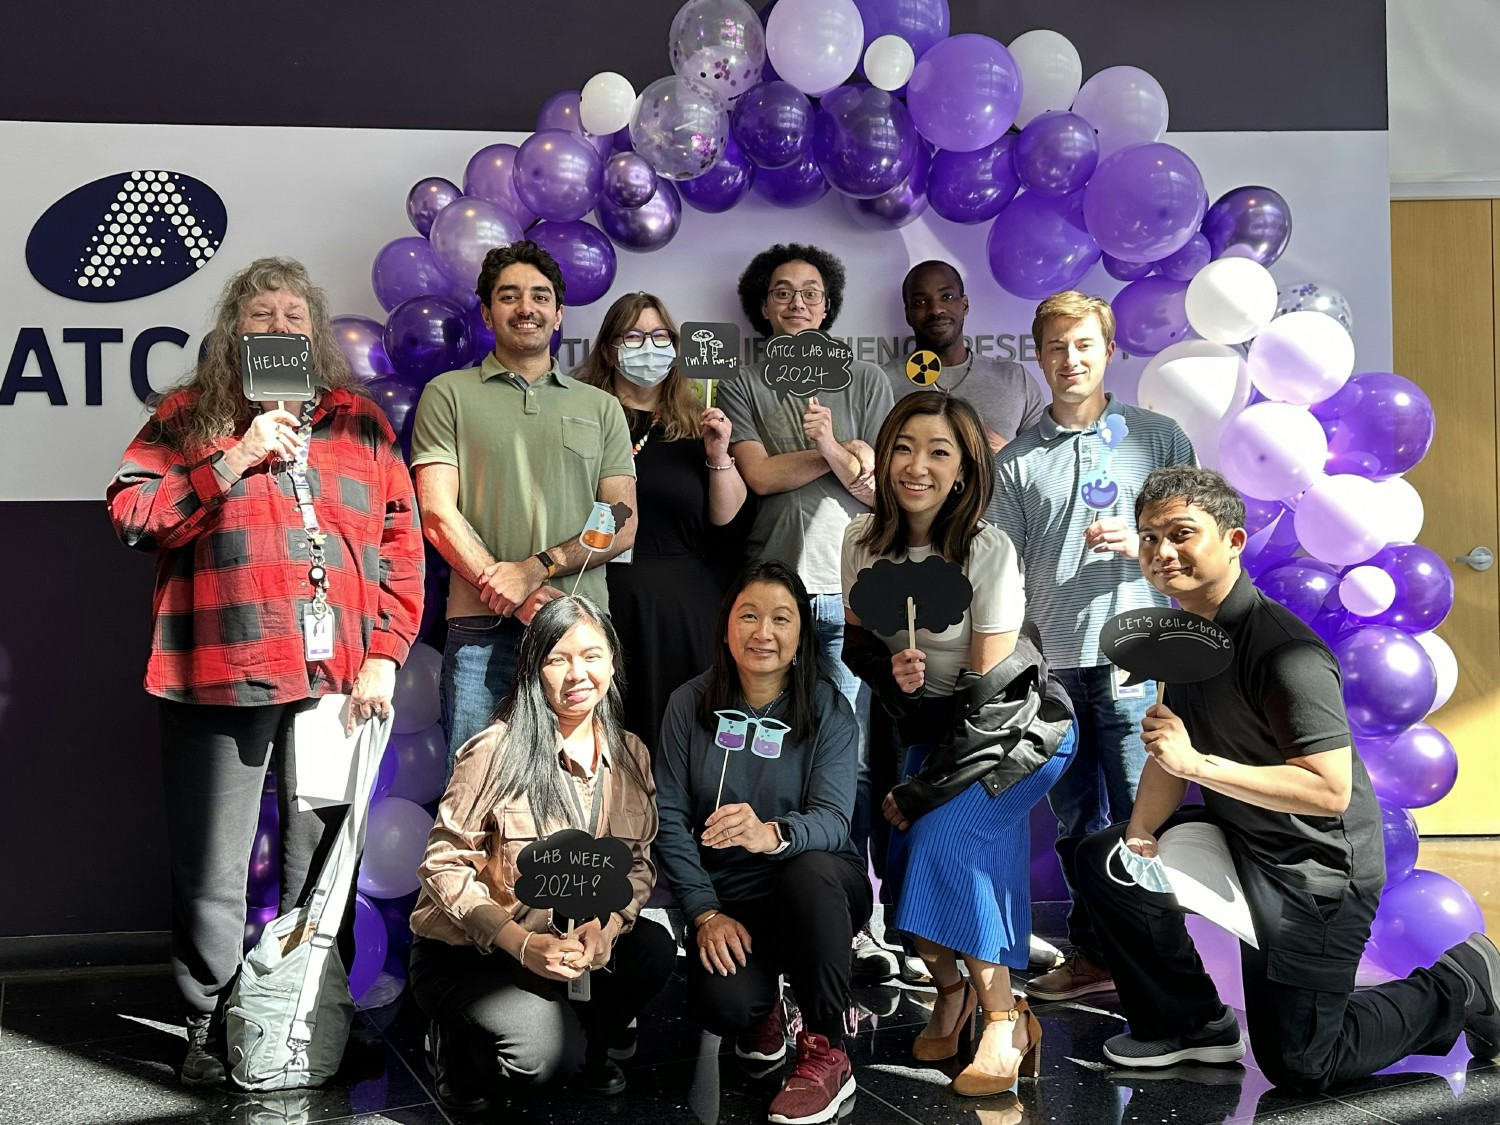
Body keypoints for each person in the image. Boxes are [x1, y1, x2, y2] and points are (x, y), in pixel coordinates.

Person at [1074, 466, 1500, 1091]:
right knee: (1106, 859)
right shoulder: (1185, 637)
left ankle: (1462, 980)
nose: (1162, 552)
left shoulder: (1283, 652)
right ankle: (1193, 1024)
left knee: (1302, 1062)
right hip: (1241, 834)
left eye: (1181, 534)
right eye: (1148, 538)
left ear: (1235, 541)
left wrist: (1198, 765)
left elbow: (1329, 789)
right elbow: (1172, 752)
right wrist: (1139, 835)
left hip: (1316, 866)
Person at [106, 257, 424, 1086]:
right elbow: (132, 514)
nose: (279, 325)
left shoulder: (359, 422)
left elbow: (401, 542)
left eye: (294, 314)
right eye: (262, 314)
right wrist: (235, 454)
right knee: (211, 865)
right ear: (235, 331)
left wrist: (386, 654)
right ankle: (206, 1024)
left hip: (336, 680)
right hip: (219, 665)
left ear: (313, 332)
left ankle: (312, 1010)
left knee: (321, 865)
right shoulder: (188, 414)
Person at [839, 392, 1076, 1096]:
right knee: (908, 861)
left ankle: (1004, 1017)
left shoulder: (985, 549)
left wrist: (919, 791)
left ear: (966, 469)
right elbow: (858, 644)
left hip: (1014, 734)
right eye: (904, 447)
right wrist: (892, 670)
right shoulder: (858, 539)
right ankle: (953, 992)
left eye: (939, 451)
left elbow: (993, 703)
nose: (917, 465)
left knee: (943, 841)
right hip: (930, 730)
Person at [984, 291, 1196, 1004]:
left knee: (1145, 815)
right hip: (1056, 667)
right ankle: (1095, 950)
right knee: (1077, 820)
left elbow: (1202, 544)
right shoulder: (1015, 461)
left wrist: (1144, 546)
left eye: (1083, 345)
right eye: (1055, 347)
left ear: (1109, 350)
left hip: (1143, 660)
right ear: (1037, 356)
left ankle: (1169, 977)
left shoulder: (1158, 438)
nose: (1069, 360)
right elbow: (1002, 571)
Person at [408, 595, 675, 1111]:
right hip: (476, 954)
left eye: (592, 656)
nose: (578, 674)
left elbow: (638, 863)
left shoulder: (631, 755)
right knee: (542, 1060)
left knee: (652, 948)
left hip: (568, 945)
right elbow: (442, 865)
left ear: (613, 663)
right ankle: (458, 1049)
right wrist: (520, 944)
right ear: (534, 669)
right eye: (558, 659)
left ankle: (591, 1044)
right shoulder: (495, 751)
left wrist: (609, 927)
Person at [718, 243, 894, 979]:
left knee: (847, 764)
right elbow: (757, 474)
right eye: (783, 292)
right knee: (776, 756)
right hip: (775, 601)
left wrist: (837, 447)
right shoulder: (740, 377)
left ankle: (855, 915)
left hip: (852, 596)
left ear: (828, 306)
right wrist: (834, 451)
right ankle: (788, 904)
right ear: (763, 305)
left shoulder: (868, 377)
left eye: (811, 293)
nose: (797, 303)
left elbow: (883, 489)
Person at [654, 561, 870, 1125]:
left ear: (802, 633)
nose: (763, 632)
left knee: (811, 869)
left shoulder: (827, 708)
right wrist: (703, 913)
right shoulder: (688, 704)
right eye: (748, 616)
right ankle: (763, 1009)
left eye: (781, 618)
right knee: (723, 1005)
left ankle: (826, 1049)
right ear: (726, 625)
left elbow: (833, 822)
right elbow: (669, 819)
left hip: (817, 894)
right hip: (731, 901)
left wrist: (772, 833)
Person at [410, 240, 637, 767]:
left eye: (539, 296)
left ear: (558, 315)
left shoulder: (600, 406)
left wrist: (538, 569)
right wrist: (510, 594)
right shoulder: (449, 394)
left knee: (577, 795)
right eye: (509, 296)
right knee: (474, 797)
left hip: (579, 633)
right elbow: (438, 515)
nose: (526, 308)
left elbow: (620, 519)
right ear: (488, 314)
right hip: (479, 636)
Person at [575, 291, 749, 750]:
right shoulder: (581, 415)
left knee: (684, 743)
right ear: (610, 347)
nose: (647, 346)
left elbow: (726, 520)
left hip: (683, 611)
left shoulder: (697, 421)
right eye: (633, 335)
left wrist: (718, 454)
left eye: (658, 336)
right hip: (604, 600)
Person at [880, 260, 1046, 453]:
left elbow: (1044, 465)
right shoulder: (883, 382)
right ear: (908, 314)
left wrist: (1004, 452)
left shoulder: (1015, 379)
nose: (935, 309)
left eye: (947, 296)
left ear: (964, 304)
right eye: (920, 302)